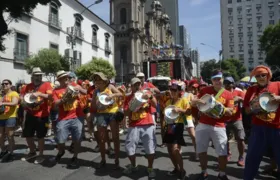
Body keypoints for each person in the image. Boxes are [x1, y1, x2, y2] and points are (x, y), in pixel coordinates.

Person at [191, 70, 234, 180]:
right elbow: (193, 102)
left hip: (219, 125)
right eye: (215, 79)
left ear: (222, 79)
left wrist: (219, 106)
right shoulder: (205, 90)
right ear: (212, 81)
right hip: (203, 124)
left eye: (219, 79)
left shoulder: (228, 94)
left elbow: (231, 111)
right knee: (201, 150)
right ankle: (203, 172)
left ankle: (222, 174)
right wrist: (197, 101)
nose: (217, 81)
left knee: (222, 152)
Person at [243, 65, 280, 180]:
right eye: (257, 76)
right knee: (252, 157)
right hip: (258, 128)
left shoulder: (278, 84)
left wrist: (279, 98)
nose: (260, 77)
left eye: (263, 75)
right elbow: (246, 109)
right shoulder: (251, 89)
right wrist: (253, 107)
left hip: (277, 127)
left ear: (268, 75)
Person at [123, 77, 157, 178]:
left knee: (150, 149)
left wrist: (150, 97)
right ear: (131, 86)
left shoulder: (147, 94)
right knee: (129, 148)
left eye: (139, 84)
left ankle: (150, 168)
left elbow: (155, 105)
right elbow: (126, 113)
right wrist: (132, 105)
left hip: (148, 124)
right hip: (134, 125)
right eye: (135, 85)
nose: (137, 86)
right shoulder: (128, 97)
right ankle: (133, 166)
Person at [52, 70, 85, 168]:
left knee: (77, 139)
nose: (66, 79)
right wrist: (63, 99)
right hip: (63, 118)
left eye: (67, 77)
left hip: (77, 116)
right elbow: (55, 104)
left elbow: (87, 92)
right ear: (59, 80)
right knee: (60, 140)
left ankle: (75, 157)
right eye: (63, 78)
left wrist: (80, 88)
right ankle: (61, 151)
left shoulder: (75, 85)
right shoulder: (56, 91)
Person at [20, 67, 53, 164]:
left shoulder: (47, 85)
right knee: (27, 135)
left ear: (41, 76)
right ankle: (32, 152)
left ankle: (41, 155)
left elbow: (50, 96)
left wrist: (39, 94)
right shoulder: (27, 86)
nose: (38, 77)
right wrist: (23, 102)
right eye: (36, 75)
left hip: (42, 115)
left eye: (39, 75)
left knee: (40, 136)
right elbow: (22, 97)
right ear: (32, 76)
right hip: (30, 114)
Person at [91, 72, 122, 169]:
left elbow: (120, 93)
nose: (97, 82)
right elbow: (93, 106)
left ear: (104, 81)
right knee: (102, 138)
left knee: (115, 137)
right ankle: (103, 159)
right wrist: (96, 103)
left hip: (113, 112)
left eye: (99, 80)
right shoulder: (96, 91)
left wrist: (112, 96)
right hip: (101, 114)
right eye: (96, 80)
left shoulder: (110, 87)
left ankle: (117, 160)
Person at [163, 81, 190, 179]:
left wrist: (180, 110)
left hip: (178, 125)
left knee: (175, 149)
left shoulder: (183, 100)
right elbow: (165, 115)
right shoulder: (168, 102)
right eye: (171, 90)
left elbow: (189, 112)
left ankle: (182, 170)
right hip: (169, 126)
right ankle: (176, 168)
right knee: (169, 149)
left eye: (174, 90)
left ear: (179, 91)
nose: (172, 91)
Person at [223, 76, 246, 166]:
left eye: (229, 83)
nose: (228, 85)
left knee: (241, 139)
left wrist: (240, 99)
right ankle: (228, 153)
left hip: (237, 119)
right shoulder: (222, 92)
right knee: (225, 139)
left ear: (233, 84)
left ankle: (241, 157)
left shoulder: (239, 91)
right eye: (226, 84)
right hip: (225, 119)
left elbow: (246, 102)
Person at [0, 79, 19, 162]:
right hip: (1, 117)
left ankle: (11, 153)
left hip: (10, 117)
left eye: (6, 83)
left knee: (10, 136)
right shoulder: (2, 95)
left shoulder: (14, 93)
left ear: (10, 85)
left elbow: (14, 103)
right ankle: (3, 151)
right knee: (1, 136)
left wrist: (3, 103)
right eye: (3, 84)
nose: (4, 85)